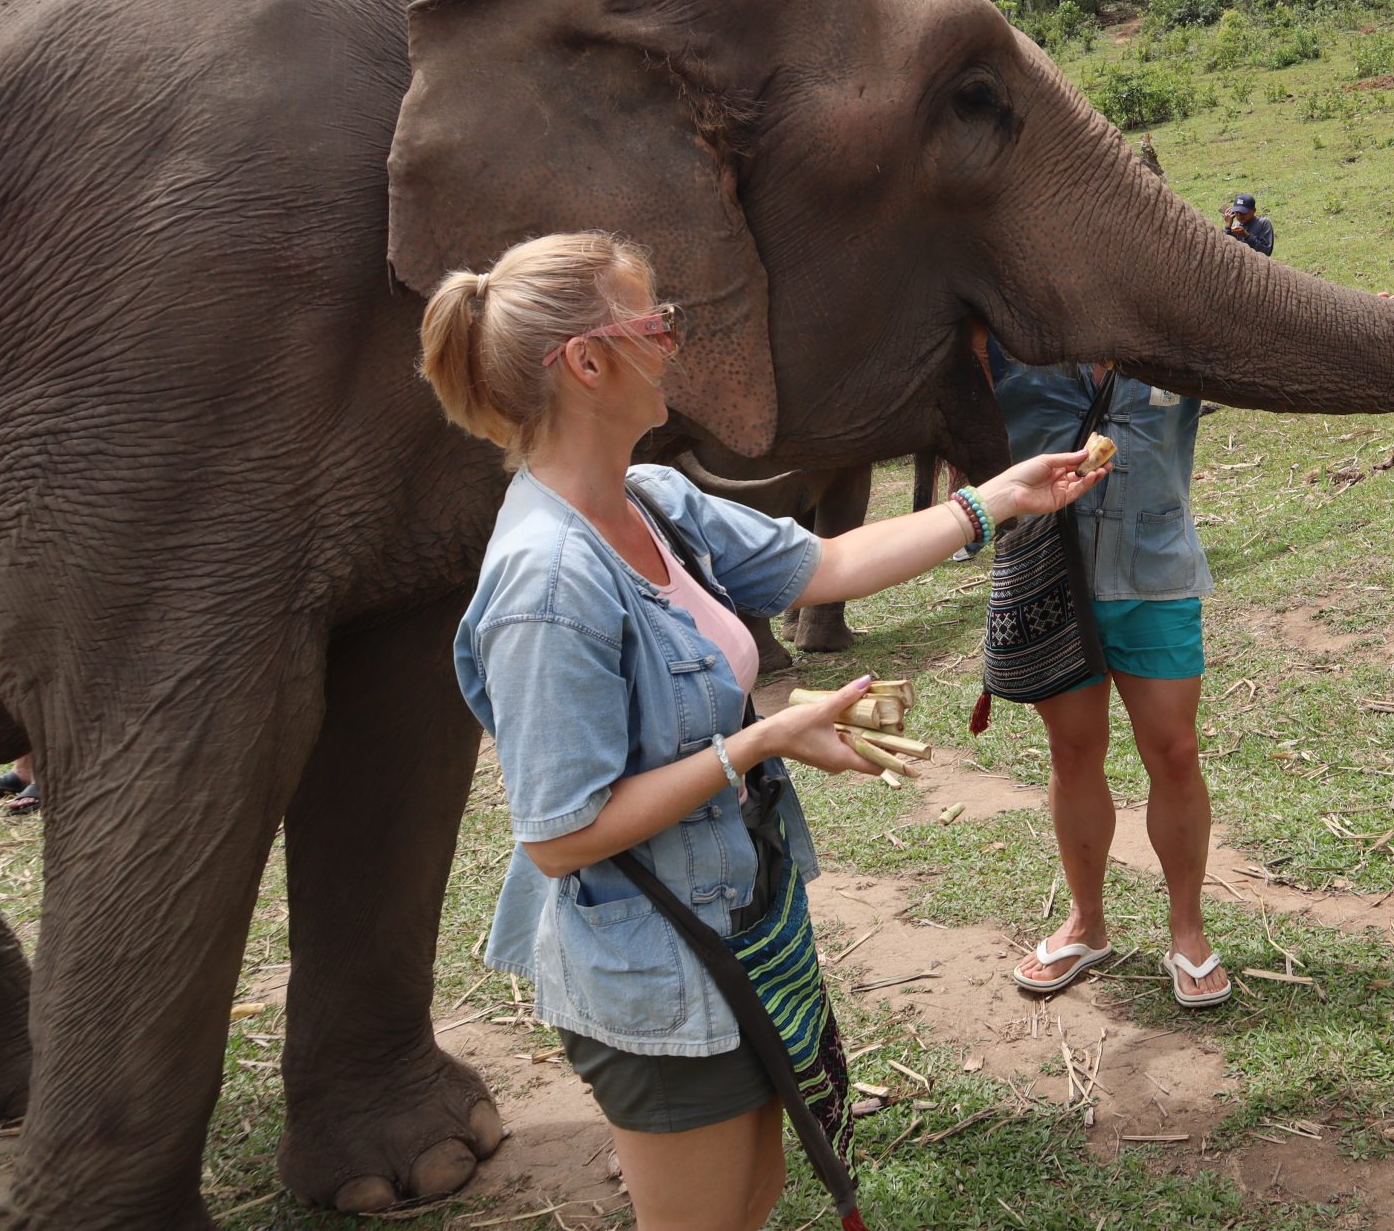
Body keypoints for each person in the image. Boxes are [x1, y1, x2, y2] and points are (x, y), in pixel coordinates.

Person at [419, 232, 1100, 1231]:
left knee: (755, 1198)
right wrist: (760, 741)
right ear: (590, 362)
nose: (674, 342)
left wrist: (993, 501)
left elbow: (816, 571)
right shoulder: (548, 584)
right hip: (654, 972)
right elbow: (561, 835)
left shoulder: (651, 502)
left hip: (738, 920)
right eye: (657, 323)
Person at [989, 350, 1232, 1009]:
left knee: (1176, 752)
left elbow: (1261, 324)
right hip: (1053, 576)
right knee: (1072, 752)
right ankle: (1086, 923)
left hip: (1157, 573)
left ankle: (1187, 931)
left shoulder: (1169, 329)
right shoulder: (1012, 342)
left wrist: (1370, 332)